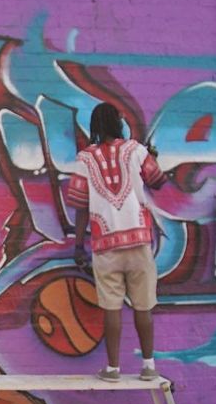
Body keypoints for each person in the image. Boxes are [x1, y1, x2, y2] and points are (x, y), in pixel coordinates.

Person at [67, 102, 167, 381]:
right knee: (143, 306)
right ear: (118, 123)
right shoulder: (135, 150)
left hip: (105, 244)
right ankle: (148, 366)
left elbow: (80, 206)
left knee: (111, 308)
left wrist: (78, 245)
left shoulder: (85, 159)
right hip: (138, 240)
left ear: (95, 126)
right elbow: (158, 181)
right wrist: (152, 157)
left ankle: (112, 368)